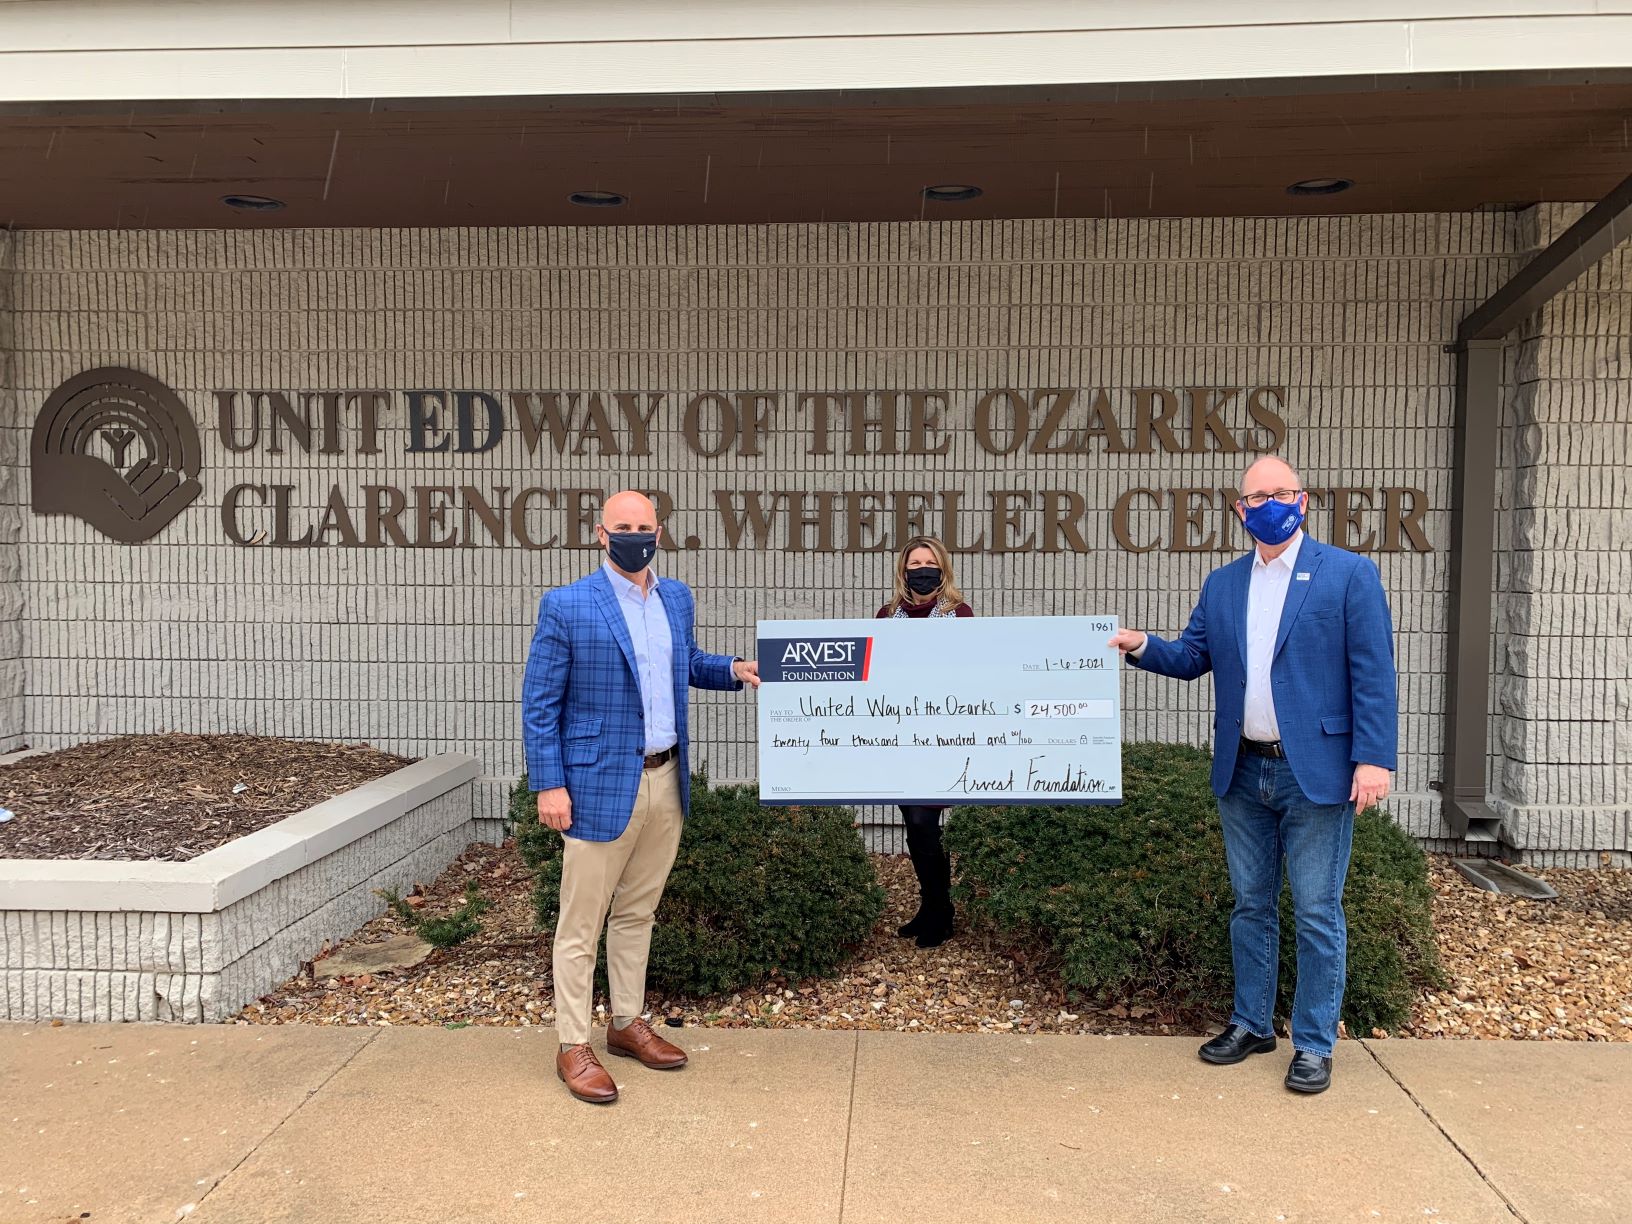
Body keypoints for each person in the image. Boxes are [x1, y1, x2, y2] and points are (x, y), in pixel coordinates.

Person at [1108, 457, 1397, 1095]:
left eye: (1281, 493)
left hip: (1315, 773)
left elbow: (1373, 671)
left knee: (1318, 912)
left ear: (1303, 499)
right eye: (1255, 496)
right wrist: (1138, 645)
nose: (1269, 503)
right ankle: (1252, 1023)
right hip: (1243, 770)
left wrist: (1374, 759)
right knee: (1251, 906)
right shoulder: (1223, 583)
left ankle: (1315, 1043)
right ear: (1239, 511)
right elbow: (1191, 656)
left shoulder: (1347, 574)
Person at [522, 490, 760, 1105]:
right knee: (581, 923)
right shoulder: (568, 605)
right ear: (602, 535)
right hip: (598, 784)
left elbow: (686, 664)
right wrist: (549, 783)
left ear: (660, 532)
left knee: (637, 913)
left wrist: (733, 668)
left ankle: (626, 1023)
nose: (635, 535)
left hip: (665, 780)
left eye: (645, 526)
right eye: (622, 527)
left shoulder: (675, 597)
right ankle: (573, 1043)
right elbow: (540, 705)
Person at [875, 535, 974, 949]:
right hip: (901, 734)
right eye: (914, 563)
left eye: (929, 562)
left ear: (942, 567)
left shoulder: (959, 614)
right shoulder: (887, 615)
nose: (922, 569)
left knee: (922, 821)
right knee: (915, 824)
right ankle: (930, 906)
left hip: (943, 734)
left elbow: (972, 666)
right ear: (904, 570)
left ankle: (942, 909)